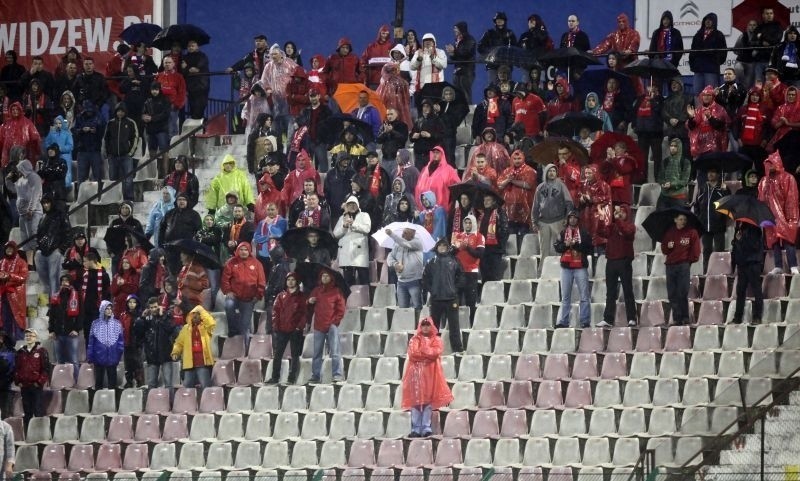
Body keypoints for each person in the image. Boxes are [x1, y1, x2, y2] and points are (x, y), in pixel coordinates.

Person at [401, 317, 453, 438]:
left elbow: (435, 353)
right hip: (415, 375)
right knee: (415, 401)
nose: (425, 327)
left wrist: (423, 351)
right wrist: (426, 354)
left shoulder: (437, 339)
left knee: (427, 401)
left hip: (431, 374)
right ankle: (415, 429)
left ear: (431, 326)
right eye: (423, 325)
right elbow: (413, 354)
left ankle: (426, 427)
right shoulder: (414, 339)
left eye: (427, 325)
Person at [758, 151, 799, 275]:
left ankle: (793, 265)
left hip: (785, 216)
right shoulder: (764, 181)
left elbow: (791, 199)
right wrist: (766, 187)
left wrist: (791, 218)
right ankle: (778, 266)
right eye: (767, 165)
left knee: (788, 240)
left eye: (772, 164)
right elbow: (761, 199)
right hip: (770, 215)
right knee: (774, 241)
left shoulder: (788, 178)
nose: (769, 167)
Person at [422, 238, 464, 352]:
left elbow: (461, 276)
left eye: (444, 246)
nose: (442, 248)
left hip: (452, 299)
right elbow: (425, 279)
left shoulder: (454, 260)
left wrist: (455, 290)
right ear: (437, 248)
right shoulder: (431, 262)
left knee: (454, 326)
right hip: (436, 299)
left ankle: (458, 349)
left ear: (447, 248)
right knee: (434, 327)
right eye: (439, 246)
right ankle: (432, 349)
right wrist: (432, 291)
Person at [598, 204, 637, 328]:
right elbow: (601, 232)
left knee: (627, 291)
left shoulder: (631, 227)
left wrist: (618, 220)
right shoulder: (613, 226)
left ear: (627, 214)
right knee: (610, 292)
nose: (620, 214)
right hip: (611, 262)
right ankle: (608, 319)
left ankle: (632, 318)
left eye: (623, 212)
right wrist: (601, 219)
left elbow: (626, 232)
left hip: (624, 261)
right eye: (619, 212)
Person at [554, 211, 593, 328]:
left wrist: (575, 244)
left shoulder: (584, 233)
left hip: (580, 267)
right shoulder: (562, 232)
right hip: (566, 268)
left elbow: (589, 248)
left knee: (584, 296)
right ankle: (563, 322)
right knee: (565, 296)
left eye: (575, 218)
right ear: (568, 219)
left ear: (578, 220)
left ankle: (585, 321)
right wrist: (566, 245)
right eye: (570, 218)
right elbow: (557, 247)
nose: (572, 220)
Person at [221, 242, 265, 345]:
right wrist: (228, 291)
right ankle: (232, 330)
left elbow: (262, 281)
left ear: (249, 251)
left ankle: (244, 350)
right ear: (237, 251)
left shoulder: (257, 263)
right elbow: (224, 279)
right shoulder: (231, 263)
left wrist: (258, 295)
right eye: (241, 249)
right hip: (234, 296)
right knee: (228, 305)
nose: (243, 252)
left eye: (246, 250)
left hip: (249, 299)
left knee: (245, 326)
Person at [662, 212, 701, 325]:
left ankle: (685, 317)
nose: (683, 221)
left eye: (684, 219)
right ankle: (677, 318)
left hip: (683, 265)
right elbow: (664, 249)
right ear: (675, 220)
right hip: (670, 266)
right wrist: (667, 246)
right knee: (672, 294)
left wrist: (689, 261)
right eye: (680, 219)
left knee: (682, 292)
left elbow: (696, 250)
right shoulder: (669, 232)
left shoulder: (692, 232)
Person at [308, 266, 346, 383]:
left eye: (327, 276)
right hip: (318, 325)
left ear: (331, 278)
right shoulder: (316, 290)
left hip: (331, 326)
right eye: (323, 276)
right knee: (317, 353)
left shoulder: (337, 291)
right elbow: (308, 304)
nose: (324, 277)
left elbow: (341, 309)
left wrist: (334, 322)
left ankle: (337, 375)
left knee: (335, 352)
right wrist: (309, 301)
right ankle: (315, 375)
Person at [268, 272, 307, 384]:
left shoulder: (301, 297)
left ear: (297, 282)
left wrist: (299, 327)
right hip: (282, 330)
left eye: (293, 279)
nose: (290, 281)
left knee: (295, 355)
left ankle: (292, 378)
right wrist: (276, 326)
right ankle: (275, 377)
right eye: (288, 279)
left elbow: (305, 314)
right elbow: (275, 311)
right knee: (278, 354)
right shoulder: (281, 296)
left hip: (295, 331)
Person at [135, 297, 178, 389]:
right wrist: (142, 318)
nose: (153, 309)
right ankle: (151, 403)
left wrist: (162, 316)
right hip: (152, 356)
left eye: (155, 307)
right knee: (151, 384)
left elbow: (170, 329)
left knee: (168, 384)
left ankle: (170, 403)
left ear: (160, 306)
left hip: (166, 354)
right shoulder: (146, 319)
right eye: (151, 307)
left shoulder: (167, 315)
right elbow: (138, 333)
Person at [533, 163, 574, 257]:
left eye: (554, 171)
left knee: (559, 249)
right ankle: (542, 271)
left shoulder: (561, 186)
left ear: (556, 173)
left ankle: (559, 270)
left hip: (558, 221)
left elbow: (569, 203)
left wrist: (567, 218)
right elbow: (535, 206)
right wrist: (534, 221)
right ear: (546, 173)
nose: (551, 173)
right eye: (549, 171)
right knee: (543, 251)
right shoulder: (540, 187)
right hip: (543, 221)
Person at [171, 305, 216, 391]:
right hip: (189, 362)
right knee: (187, 388)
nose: (194, 317)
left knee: (206, 387)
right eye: (192, 315)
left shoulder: (206, 328)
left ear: (201, 316)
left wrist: (201, 310)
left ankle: (207, 404)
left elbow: (212, 323)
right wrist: (175, 352)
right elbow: (179, 343)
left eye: (197, 315)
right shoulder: (185, 329)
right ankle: (188, 404)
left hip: (203, 362)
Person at [693, 167, 730, 272]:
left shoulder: (722, 189)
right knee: (706, 252)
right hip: (705, 226)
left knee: (719, 252)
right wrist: (699, 218)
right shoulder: (702, 188)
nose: (710, 174)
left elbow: (729, 204)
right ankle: (706, 273)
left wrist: (725, 191)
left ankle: (719, 272)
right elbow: (696, 205)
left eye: (713, 172)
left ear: (718, 175)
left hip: (719, 226)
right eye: (709, 172)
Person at [35, 194, 71, 299]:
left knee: (54, 278)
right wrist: (38, 248)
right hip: (42, 252)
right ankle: (52, 301)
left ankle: (54, 304)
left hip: (55, 251)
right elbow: (39, 235)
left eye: (48, 202)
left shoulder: (61, 215)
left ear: (52, 202)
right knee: (45, 279)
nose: (46, 205)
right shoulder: (42, 217)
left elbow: (68, 232)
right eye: (44, 203)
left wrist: (61, 249)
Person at [497, 149, 537, 241]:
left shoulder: (530, 171)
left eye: (519, 158)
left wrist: (513, 181)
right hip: (509, 207)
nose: (517, 160)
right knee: (511, 234)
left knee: (523, 234)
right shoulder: (507, 171)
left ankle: (522, 252)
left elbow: (528, 185)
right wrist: (508, 180)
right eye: (515, 158)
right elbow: (499, 185)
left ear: (523, 158)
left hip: (524, 207)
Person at [452, 214, 484, 322]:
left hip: (471, 272)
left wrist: (468, 247)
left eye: (470, 222)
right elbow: (452, 253)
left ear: (474, 223)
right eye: (466, 222)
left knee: (471, 301)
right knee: (456, 300)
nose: (468, 224)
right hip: (458, 272)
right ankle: (458, 322)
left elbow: (480, 254)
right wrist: (457, 248)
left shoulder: (479, 236)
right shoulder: (458, 236)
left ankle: (471, 323)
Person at [103, 103, 139, 202]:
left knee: (128, 180)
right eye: (118, 111)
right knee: (113, 179)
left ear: (125, 112)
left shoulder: (130, 123)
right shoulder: (110, 123)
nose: (120, 113)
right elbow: (106, 138)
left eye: (122, 111)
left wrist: (130, 153)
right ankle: (114, 200)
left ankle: (129, 200)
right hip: (113, 157)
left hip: (126, 156)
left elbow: (135, 138)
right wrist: (108, 153)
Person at [48, 274, 81, 379]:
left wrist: (76, 329)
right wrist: (51, 330)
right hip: (58, 334)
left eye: (66, 281)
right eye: (62, 281)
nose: (64, 283)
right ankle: (62, 382)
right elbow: (52, 316)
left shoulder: (77, 296)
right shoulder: (55, 296)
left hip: (71, 334)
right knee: (60, 361)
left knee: (74, 361)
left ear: (71, 282)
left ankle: (76, 382)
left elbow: (81, 315)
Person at [333, 196, 371, 286]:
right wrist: (344, 227)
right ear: (347, 206)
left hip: (360, 254)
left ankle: (366, 300)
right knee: (348, 283)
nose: (352, 206)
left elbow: (367, 229)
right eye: (350, 204)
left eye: (354, 204)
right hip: (346, 254)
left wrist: (353, 224)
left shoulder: (364, 215)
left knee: (364, 282)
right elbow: (335, 234)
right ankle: (350, 300)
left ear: (358, 205)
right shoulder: (341, 218)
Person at [577, 165, 612, 260]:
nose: (587, 175)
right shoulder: (583, 184)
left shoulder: (603, 185)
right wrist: (581, 199)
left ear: (595, 173)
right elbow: (578, 195)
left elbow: (606, 198)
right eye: (586, 173)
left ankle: (601, 264)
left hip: (598, 215)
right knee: (588, 243)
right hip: (586, 215)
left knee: (599, 241)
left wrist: (591, 198)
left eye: (589, 173)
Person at [11, 159, 42, 267]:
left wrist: (31, 208)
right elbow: (14, 190)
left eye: (20, 168)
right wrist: (8, 180)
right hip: (22, 214)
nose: (19, 170)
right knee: (25, 240)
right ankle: (30, 264)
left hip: (33, 212)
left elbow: (36, 193)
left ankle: (38, 263)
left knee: (33, 237)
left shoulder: (33, 177)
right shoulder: (21, 179)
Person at [87, 300, 124, 389]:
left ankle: (113, 402)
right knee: (98, 384)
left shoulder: (117, 324)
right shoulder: (95, 324)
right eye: (107, 309)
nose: (109, 311)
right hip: (98, 358)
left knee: (112, 384)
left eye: (111, 309)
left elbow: (120, 342)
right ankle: (97, 402)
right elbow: (91, 342)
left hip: (112, 358)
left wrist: (118, 355)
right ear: (102, 309)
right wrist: (91, 356)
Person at [160, 193, 202, 272]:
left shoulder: (194, 215)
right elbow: (161, 230)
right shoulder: (169, 213)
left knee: (184, 270)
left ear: (187, 201)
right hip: (170, 248)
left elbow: (199, 231)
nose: (181, 201)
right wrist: (161, 246)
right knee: (170, 271)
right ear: (176, 201)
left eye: (184, 199)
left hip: (186, 249)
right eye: (179, 199)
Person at [14, 329, 48, 426]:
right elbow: (16, 368)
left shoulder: (41, 351)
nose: (28, 337)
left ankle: (40, 432)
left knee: (38, 410)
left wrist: (39, 382)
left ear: (35, 338)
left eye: (31, 335)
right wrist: (18, 381)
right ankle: (27, 433)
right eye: (27, 336)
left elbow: (45, 369)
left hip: (36, 386)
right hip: (24, 386)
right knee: (27, 411)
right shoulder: (20, 352)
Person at [386, 227, 424, 310]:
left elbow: (405, 243)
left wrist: (391, 235)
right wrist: (395, 264)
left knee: (417, 309)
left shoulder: (417, 242)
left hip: (415, 281)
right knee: (403, 311)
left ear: (412, 233)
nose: (402, 234)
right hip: (401, 282)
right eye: (403, 232)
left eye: (405, 233)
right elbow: (390, 257)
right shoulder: (397, 244)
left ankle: (418, 323)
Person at [689, 13, 727, 93]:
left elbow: (723, 52)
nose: (708, 22)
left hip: (711, 69)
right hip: (698, 68)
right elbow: (692, 51)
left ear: (714, 22)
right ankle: (698, 106)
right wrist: (693, 65)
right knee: (697, 93)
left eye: (710, 20)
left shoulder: (718, 35)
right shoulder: (698, 34)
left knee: (711, 93)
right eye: (706, 20)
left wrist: (716, 62)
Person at [632, 85, 664, 181]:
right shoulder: (641, 98)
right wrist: (634, 124)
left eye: (653, 86)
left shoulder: (660, 99)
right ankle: (642, 178)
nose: (650, 88)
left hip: (656, 132)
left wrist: (653, 100)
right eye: (649, 86)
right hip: (642, 132)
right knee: (642, 157)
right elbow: (634, 111)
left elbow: (660, 111)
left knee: (657, 158)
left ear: (657, 88)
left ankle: (658, 178)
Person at [80, 250, 110, 345]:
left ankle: (98, 356)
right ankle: (89, 356)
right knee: (87, 333)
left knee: (98, 334)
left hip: (98, 309)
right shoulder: (85, 275)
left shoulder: (104, 275)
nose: (83, 263)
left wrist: (105, 309)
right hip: (86, 309)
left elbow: (107, 294)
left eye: (85, 261)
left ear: (92, 261)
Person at [141, 82, 172, 176]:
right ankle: (154, 174)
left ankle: (165, 173)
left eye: (156, 89)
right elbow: (143, 113)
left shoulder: (165, 100)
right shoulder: (147, 101)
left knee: (164, 151)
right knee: (152, 152)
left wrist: (152, 118)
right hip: (151, 130)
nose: (154, 91)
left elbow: (166, 114)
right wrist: (143, 117)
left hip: (162, 129)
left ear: (159, 90)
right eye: (153, 89)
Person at [477, 191, 508, 282]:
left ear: (494, 201)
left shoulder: (499, 212)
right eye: (484, 200)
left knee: (494, 277)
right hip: (483, 250)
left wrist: (500, 247)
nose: (485, 202)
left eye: (488, 200)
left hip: (495, 250)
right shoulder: (482, 215)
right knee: (485, 277)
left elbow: (505, 231)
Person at [478, 12, 517, 85]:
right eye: (497, 20)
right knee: (493, 86)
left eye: (501, 20)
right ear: (495, 21)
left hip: (506, 64)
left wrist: (508, 51)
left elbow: (516, 48)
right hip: (492, 64)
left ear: (504, 21)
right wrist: (492, 51)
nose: (499, 21)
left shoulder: (510, 33)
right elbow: (480, 47)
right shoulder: (489, 33)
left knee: (506, 87)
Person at [0, 241, 28, 342]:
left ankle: (19, 346)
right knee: (5, 321)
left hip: (16, 296)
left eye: (11, 248)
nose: (9, 250)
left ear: (15, 250)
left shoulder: (21, 262)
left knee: (18, 321)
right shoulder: (1, 262)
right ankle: (7, 346)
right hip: (3, 296)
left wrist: (9, 276)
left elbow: (23, 277)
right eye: (7, 248)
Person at [0, 102, 40, 167]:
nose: (15, 111)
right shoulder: (6, 124)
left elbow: (35, 137)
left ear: (20, 110)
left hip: (23, 153)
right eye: (13, 109)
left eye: (17, 109)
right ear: (10, 111)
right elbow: (1, 139)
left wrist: (35, 151)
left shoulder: (27, 123)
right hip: (8, 154)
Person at [446, 21, 476, 104]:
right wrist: (451, 54)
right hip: (457, 70)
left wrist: (454, 51)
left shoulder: (470, 40)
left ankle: (468, 110)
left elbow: (466, 53)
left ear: (461, 29)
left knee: (465, 91)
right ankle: (458, 109)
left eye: (456, 28)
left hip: (467, 71)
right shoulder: (457, 40)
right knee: (456, 91)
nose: (454, 30)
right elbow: (456, 57)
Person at [657, 139, 691, 210]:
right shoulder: (665, 161)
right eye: (671, 146)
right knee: (660, 218)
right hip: (664, 195)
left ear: (679, 147)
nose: (672, 148)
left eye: (675, 146)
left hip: (678, 197)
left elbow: (684, 181)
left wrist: (671, 184)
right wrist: (663, 183)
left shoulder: (685, 162)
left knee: (677, 219)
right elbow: (660, 177)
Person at [754, 7, 784, 85]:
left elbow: (776, 40)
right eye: (767, 13)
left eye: (771, 13)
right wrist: (762, 42)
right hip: (759, 60)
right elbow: (753, 42)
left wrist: (762, 36)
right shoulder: (758, 27)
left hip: (772, 60)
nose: (769, 15)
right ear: (763, 15)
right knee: (758, 84)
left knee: (771, 84)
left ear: (773, 15)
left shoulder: (778, 26)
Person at [181, 40, 210, 120]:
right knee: (192, 109)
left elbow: (195, 69)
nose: (190, 47)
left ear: (197, 46)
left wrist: (187, 67)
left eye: (192, 46)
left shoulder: (202, 56)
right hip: (190, 87)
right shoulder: (185, 57)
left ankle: (200, 127)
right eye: (189, 46)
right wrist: (188, 69)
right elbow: (183, 70)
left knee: (199, 108)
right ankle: (196, 128)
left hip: (201, 86)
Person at [43, 115, 74, 187]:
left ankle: (66, 190)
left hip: (65, 157)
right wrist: (51, 149)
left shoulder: (67, 134)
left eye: (60, 123)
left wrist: (61, 149)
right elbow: (47, 143)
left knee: (66, 174)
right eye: (56, 123)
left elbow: (70, 146)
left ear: (62, 123)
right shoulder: (51, 134)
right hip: (54, 158)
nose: (58, 125)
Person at [376, 108, 409, 174]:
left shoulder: (403, 125)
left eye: (391, 114)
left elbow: (403, 139)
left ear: (397, 115)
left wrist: (392, 131)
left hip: (397, 159)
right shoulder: (383, 126)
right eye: (388, 114)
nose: (389, 116)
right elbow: (378, 140)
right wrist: (384, 132)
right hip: (385, 158)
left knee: (396, 178)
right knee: (386, 179)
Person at [361, 25, 394, 90]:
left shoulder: (392, 47)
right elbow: (363, 61)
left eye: (387, 34)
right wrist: (365, 76)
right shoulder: (371, 47)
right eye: (383, 33)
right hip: (373, 81)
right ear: (379, 34)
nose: (385, 36)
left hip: (388, 81)